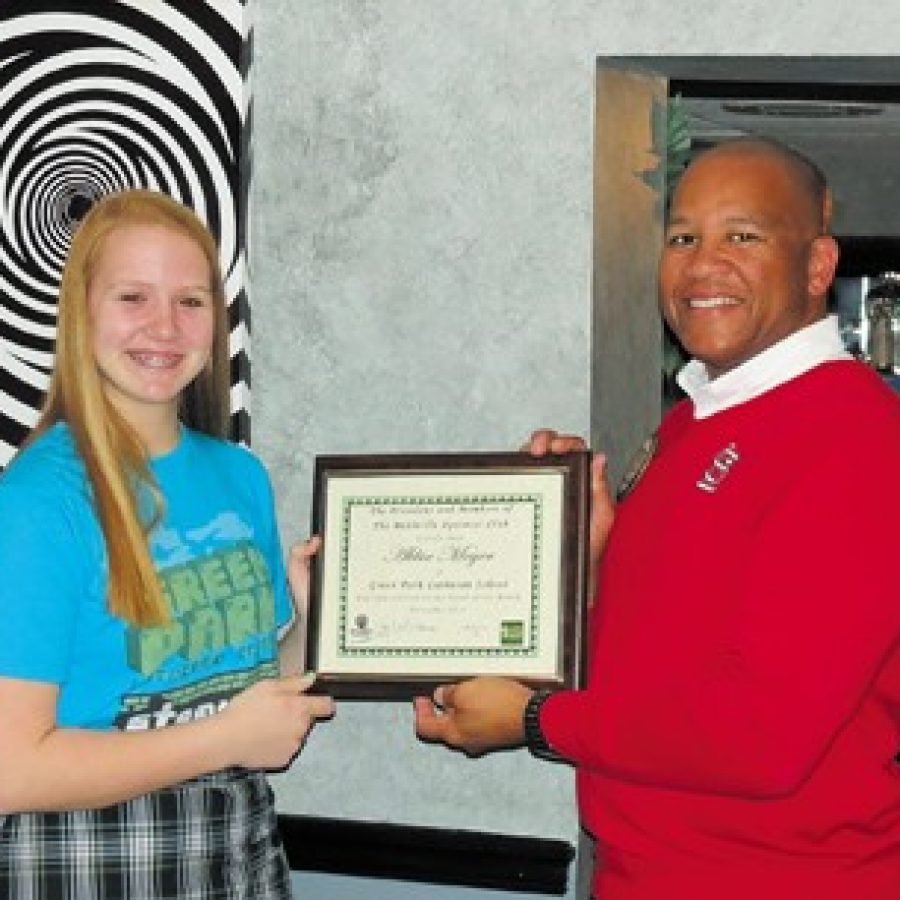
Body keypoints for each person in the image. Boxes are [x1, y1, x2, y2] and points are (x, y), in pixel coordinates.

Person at [414, 137, 900, 898]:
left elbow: (760, 735)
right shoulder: (693, 421)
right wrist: (587, 550)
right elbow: (668, 652)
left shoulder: (857, 437)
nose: (704, 263)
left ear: (817, 266)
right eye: (683, 237)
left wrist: (537, 720)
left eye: (743, 235)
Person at [0, 190, 334, 899]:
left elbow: (236, 694)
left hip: (236, 840)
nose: (165, 326)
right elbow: (10, 770)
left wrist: (308, 623)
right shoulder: (37, 503)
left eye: (191, 301)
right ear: (81, 313)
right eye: (132, 297)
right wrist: (228, 742)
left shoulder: (237, 475)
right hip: (88, 856)